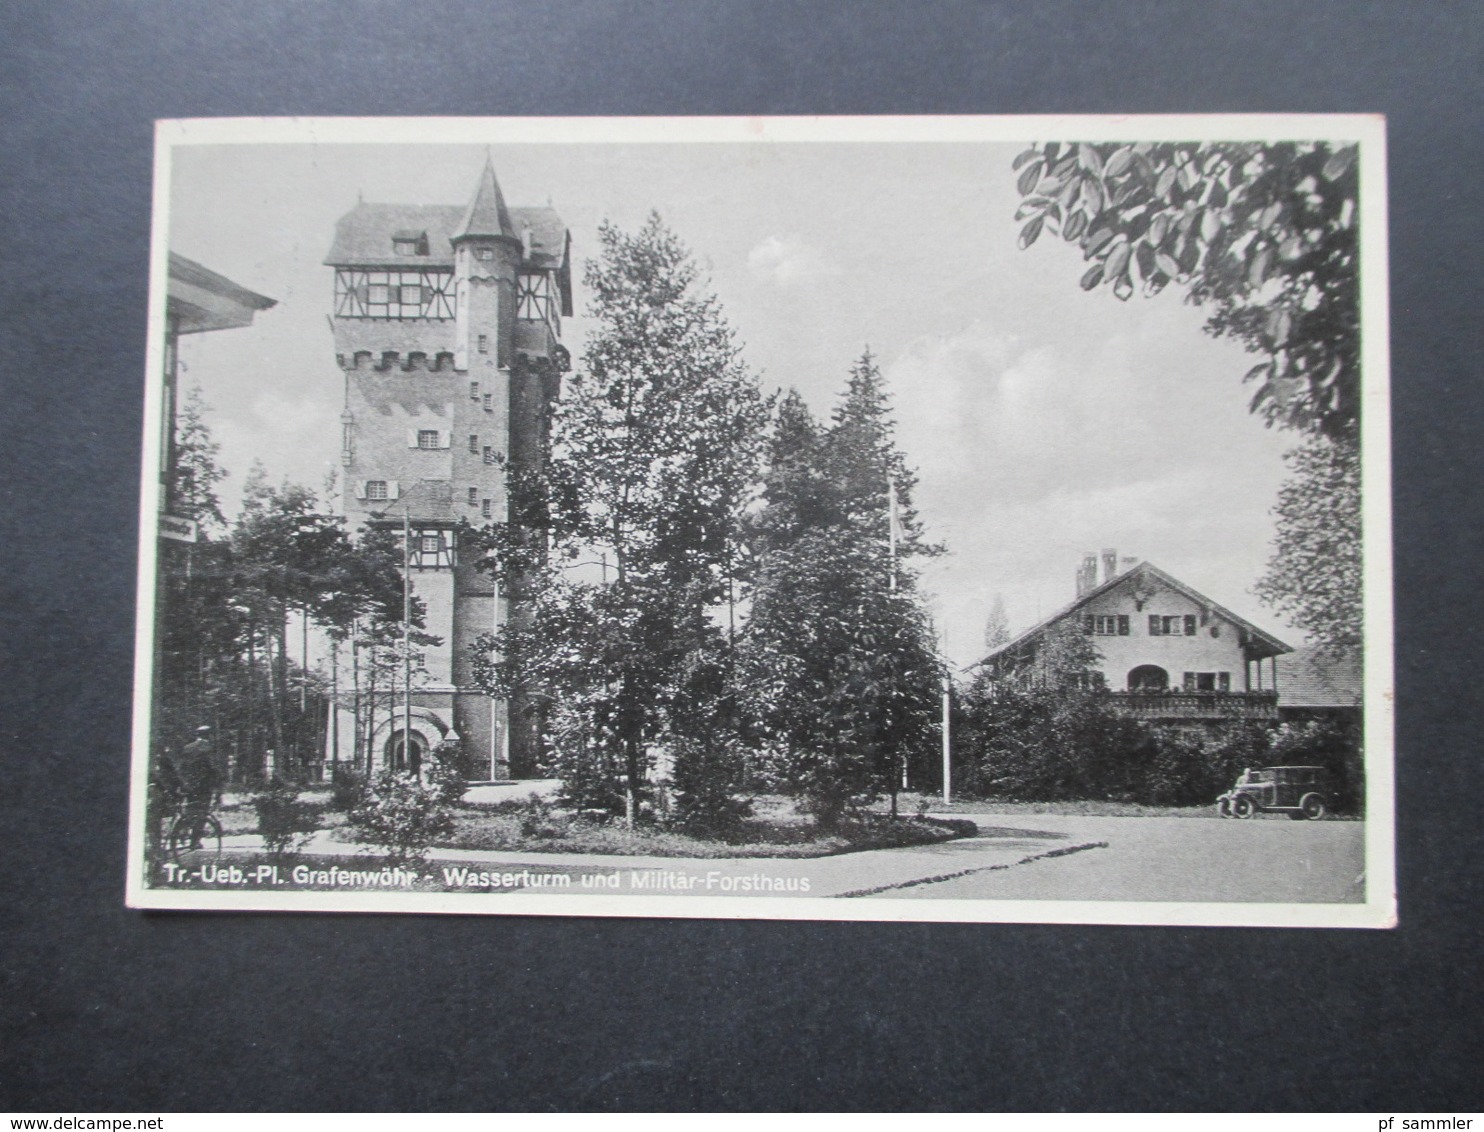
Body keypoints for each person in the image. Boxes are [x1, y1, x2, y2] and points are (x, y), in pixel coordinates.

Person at [177, 726, 222, 848]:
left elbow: (181, 768)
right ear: (209, 736)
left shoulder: (188, 748)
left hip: (189, 787)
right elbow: (214, 769)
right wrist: (218, 790)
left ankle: (182, 832)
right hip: (204, 788)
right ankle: (194, 841)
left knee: (190, 811)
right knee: (202, 814)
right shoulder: (209, 748)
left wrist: (183, 785)